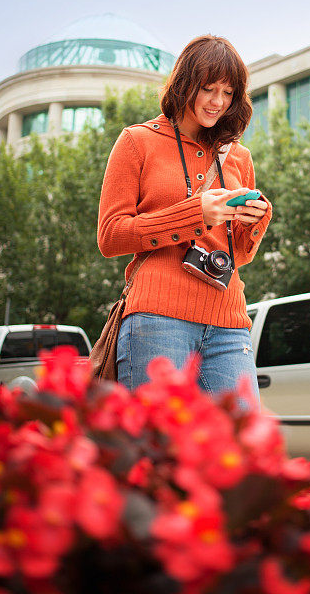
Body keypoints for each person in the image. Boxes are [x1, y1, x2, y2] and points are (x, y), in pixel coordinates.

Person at [97, 34, 272, 401]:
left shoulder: (238, 156)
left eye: (228, 93)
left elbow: (237, 256)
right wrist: (195, 214)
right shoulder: (137, 141)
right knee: (159, 448)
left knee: (240, 447)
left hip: (229, 321)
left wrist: (253, 220)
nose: (217, 102)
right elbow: (110, 236)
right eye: (208, 88)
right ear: (184, 83)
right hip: (156, 317)